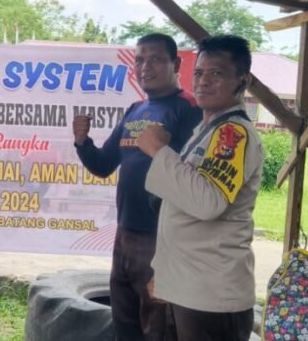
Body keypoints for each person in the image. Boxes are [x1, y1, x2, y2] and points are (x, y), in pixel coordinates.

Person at [72, 33, 202, 340]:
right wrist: (82, 141)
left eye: (155, 59)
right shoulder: (135, 110)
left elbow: (194, 178)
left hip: (162, 237)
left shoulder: (189, 109)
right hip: (125, 234)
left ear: (176, 64)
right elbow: (103, 165)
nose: (145, 67)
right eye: (140, 60)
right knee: (125, 321)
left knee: (159, 326)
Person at [138, 35, 262, 341]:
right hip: (191, 288)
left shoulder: (233, 133)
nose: (203, 81)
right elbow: (182, 207)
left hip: (212, 296)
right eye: (199, 72)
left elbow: (207, 203)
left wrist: (159, 151)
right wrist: (164, 273)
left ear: (242, 81)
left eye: (217, 73)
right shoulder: (207, 130)